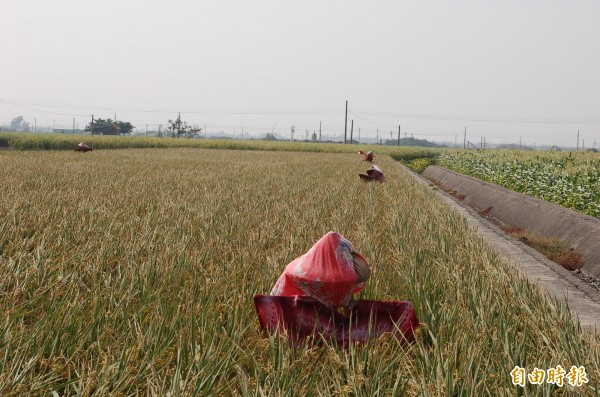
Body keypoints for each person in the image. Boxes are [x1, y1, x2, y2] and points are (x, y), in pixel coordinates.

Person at [270, 231, 370, 307]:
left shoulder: (297, 268)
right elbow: (363, 273)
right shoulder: (344, 275)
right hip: (308, 311)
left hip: (305, 310)